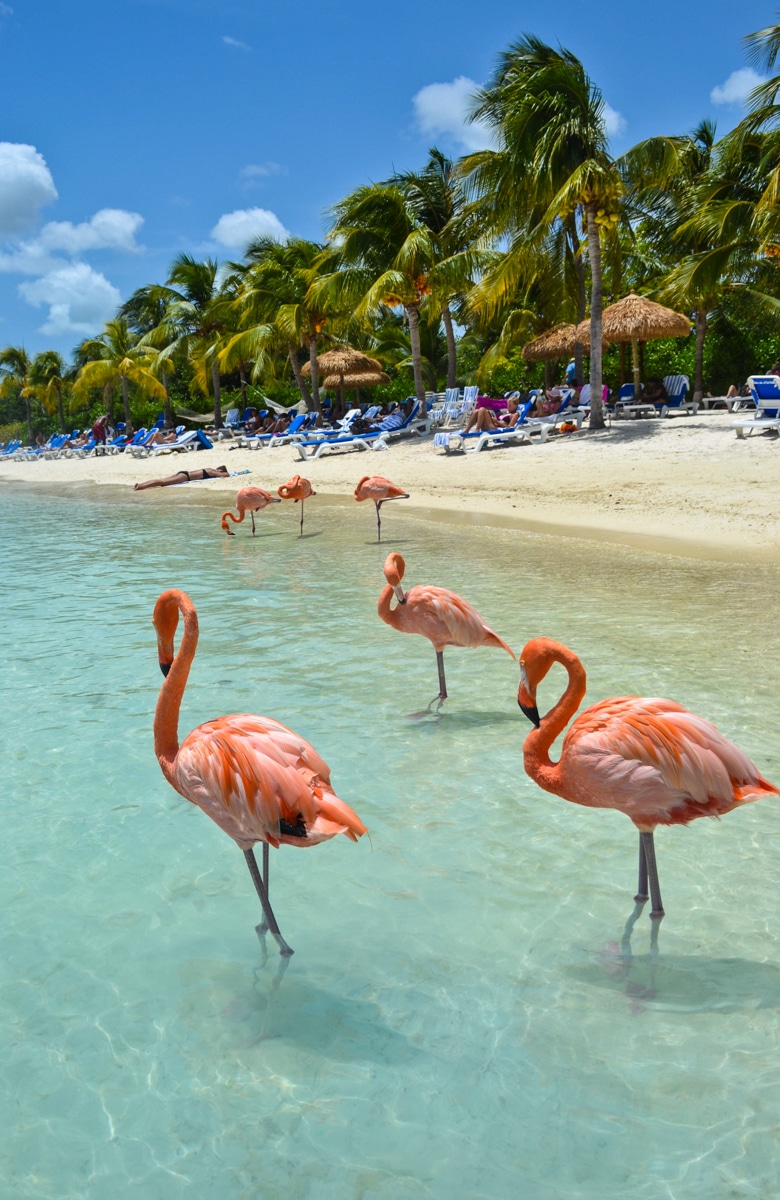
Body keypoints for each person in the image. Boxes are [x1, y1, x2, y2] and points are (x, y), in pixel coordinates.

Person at [133, 465, 230, 490]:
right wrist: (225, 473)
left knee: (162, 480)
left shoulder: (210, 469)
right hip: (185, 477)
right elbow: (225, 475)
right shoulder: (213, 471)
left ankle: (141, 484)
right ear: (220, 470)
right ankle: (141, 487)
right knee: (162, 482)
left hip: (184, 473)